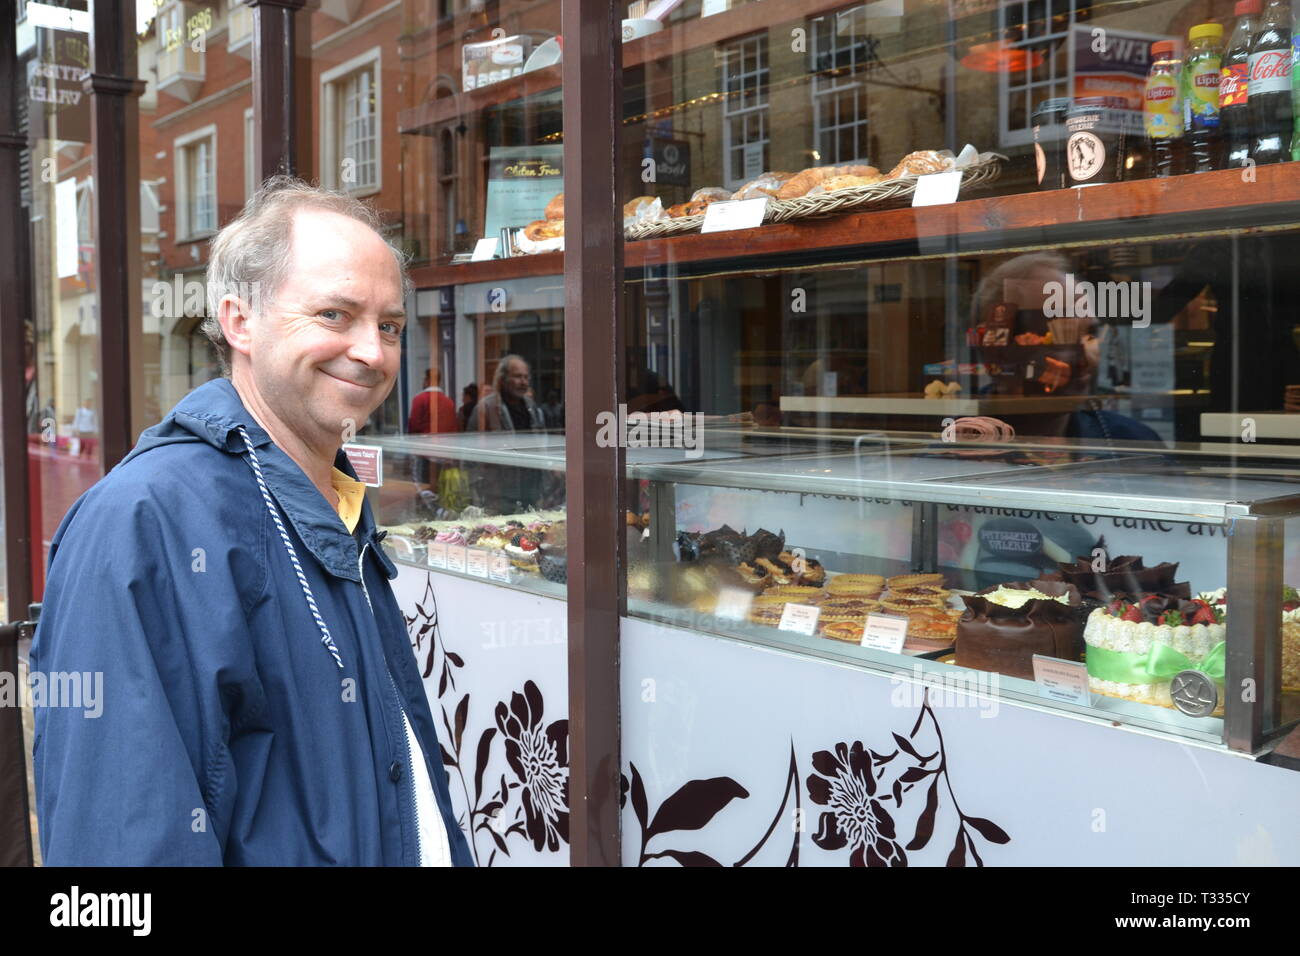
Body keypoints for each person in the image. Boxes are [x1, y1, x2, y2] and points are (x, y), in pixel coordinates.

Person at [30, 177, 473, 866]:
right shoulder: (143, 522)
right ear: (239, 322)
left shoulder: (333, 496)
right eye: (334, 314)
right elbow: (118, 845)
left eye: (388, 325)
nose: (374, 352)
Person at [466, 354, 545, 433]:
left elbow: (542, 437)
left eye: (526, 377)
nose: (523, 382)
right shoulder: (486, 408)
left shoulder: (531, 405)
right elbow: (473, 441)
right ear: (502, 379)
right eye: (517, 376)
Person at [407, 367, 458, 434]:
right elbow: (453, 426)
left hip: (426, 441)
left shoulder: (419, 399)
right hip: (446, 442)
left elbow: (414, 425)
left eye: (424, 379)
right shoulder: (449, 402)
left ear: (427, 380)